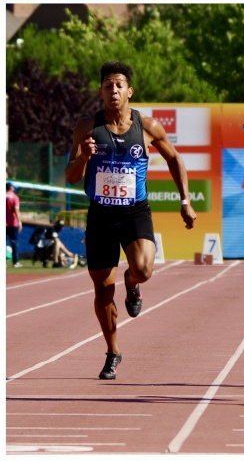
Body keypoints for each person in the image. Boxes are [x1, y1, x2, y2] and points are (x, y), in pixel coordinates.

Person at [65, 61, 196, 380]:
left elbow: (174, 158)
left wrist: (185, 201)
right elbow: (71, 177)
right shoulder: (86, 127)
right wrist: (84, 157)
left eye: (119, 85)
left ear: (129, 91)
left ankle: (132, 284)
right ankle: (113, 352)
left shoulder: (147, 126)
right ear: (100, 92)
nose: (113, 90)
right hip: (100, 214)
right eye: (107, 85)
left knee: (144, 269)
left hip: (134, 211)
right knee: (102, 290)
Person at [6, 182, 23, 268]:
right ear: (11, 188)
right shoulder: (15, 197)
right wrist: (20, 222)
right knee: (14, 242)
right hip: (12, 223)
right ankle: (15, 262)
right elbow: (16, 210)